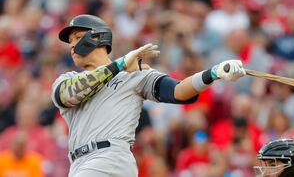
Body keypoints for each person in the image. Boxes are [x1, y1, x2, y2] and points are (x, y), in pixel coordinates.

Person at [51, 14, 246, 177]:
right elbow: (67, 95)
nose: (71, 45)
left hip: (109, 158)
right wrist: (119, 65)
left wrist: (212, 73)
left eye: (77, 37)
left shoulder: (134, 75)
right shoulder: (67, 79)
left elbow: (177, 91)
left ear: (97, 37)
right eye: (70, 41)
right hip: (78, 164)